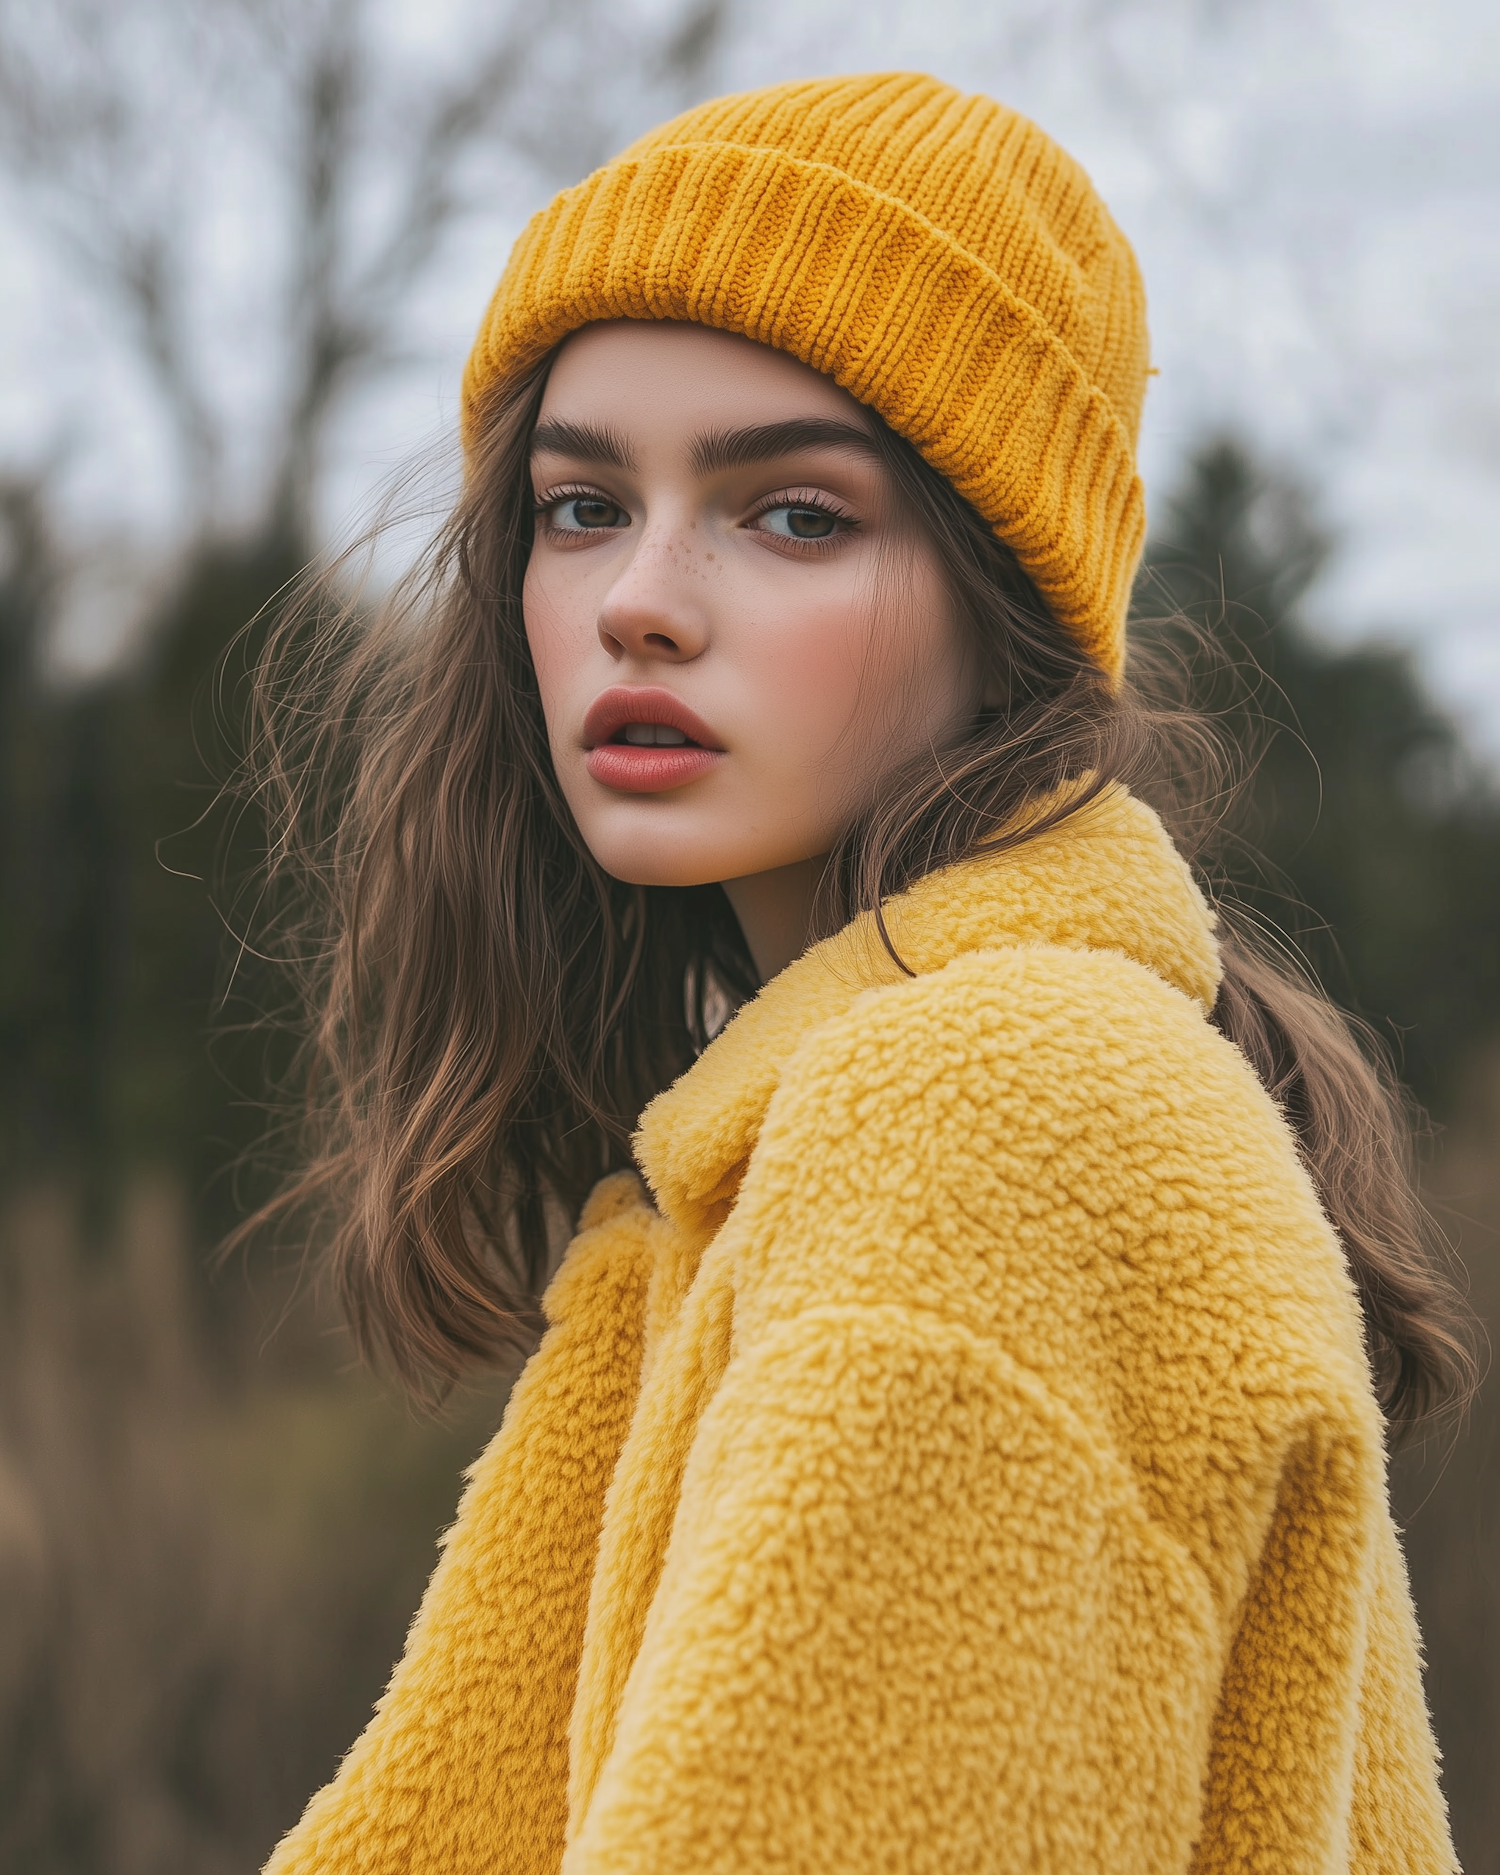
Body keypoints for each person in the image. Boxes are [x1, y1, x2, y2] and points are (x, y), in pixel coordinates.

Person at [255, 72, 1467, 1875]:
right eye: (581, 506)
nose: (638, 599)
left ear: (1010, 609)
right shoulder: (825, 1140)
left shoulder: (997, 1118)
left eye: (794, 515)